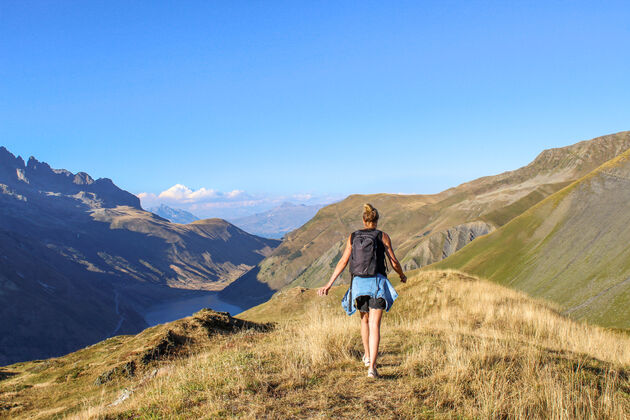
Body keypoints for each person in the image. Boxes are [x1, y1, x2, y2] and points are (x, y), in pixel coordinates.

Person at [318, 203, 407, 378]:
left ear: (363, 220)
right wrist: (401, 275)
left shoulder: (353, 236)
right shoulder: (383, 236)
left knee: (364, 321)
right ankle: (372, 368)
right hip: (377, 283)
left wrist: (329, 284)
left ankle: (367, 356)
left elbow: (343, 261)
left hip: (358, 284)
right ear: (377, 220)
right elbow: (394, 261)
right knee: (375, 324)